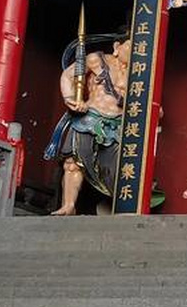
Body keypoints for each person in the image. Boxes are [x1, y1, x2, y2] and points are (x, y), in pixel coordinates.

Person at [45, 36, 131, 215]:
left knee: (120, 169)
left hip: (118, 124)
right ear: (117, 46)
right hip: (90, 117)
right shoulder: (97, 59)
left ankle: (117, 207)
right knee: (73, 162)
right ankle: (68, 205)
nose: (132, 51)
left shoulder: (139, 73)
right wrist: (72, 99)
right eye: (129, 45)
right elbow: (68, 76)